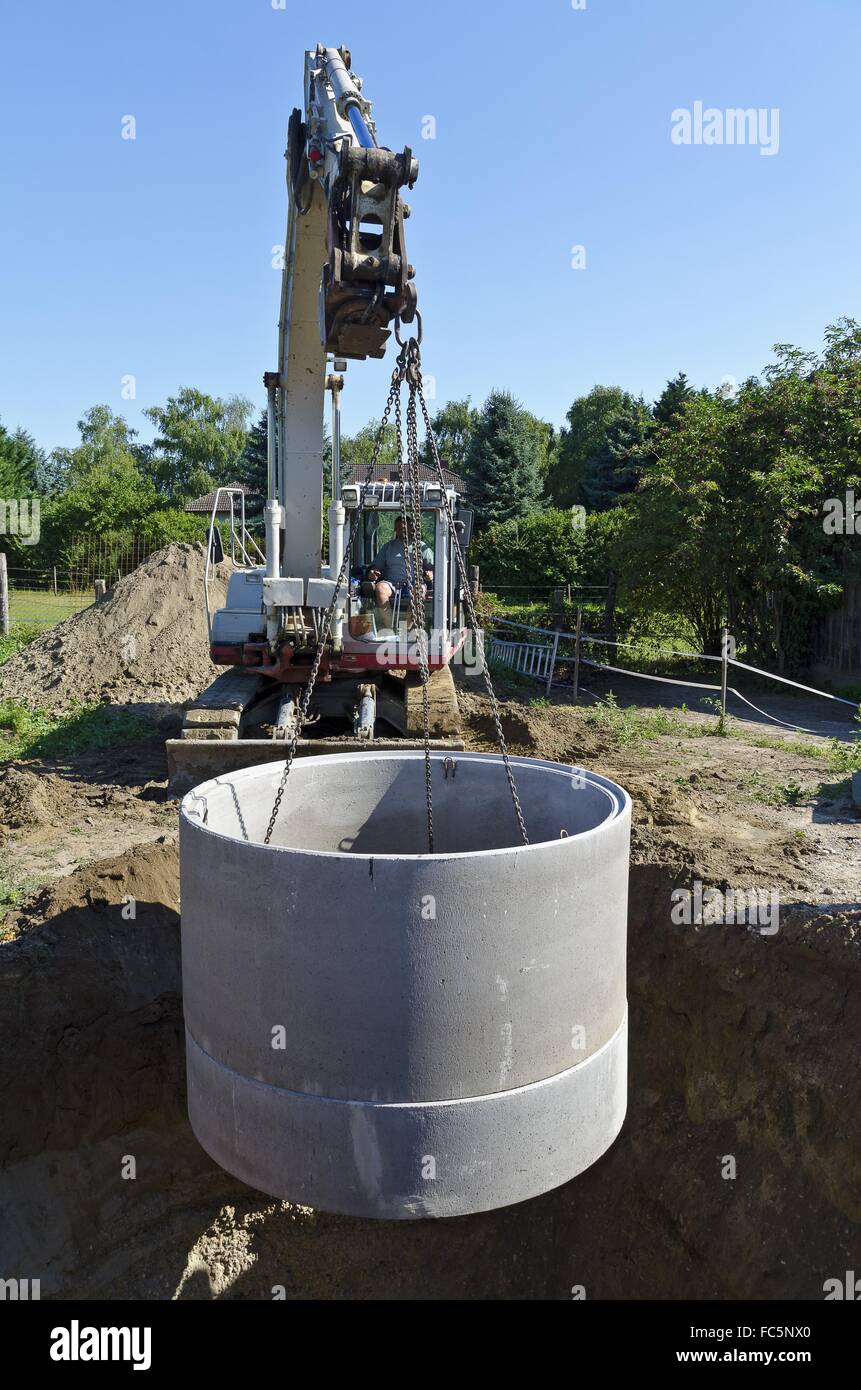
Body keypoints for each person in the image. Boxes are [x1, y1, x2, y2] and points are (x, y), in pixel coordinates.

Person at [366, 516, 433, 627]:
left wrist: (430, 574)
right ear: (395, 529)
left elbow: (432, 568)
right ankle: (390, 629)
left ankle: (404, 630)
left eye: (405, 527)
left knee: (419, 590)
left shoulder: (422, 547)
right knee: (380, 587)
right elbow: (376, 567)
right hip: (392, 584)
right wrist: (373, 572)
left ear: (412, 528)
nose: (402, 530)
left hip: (415, 584)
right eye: (399, 527)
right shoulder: (388, 547)